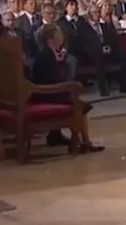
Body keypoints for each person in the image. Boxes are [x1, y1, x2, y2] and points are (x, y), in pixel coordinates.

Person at [30, 23, 104, 152]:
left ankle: (59, 135)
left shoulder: (50, 53)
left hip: (49, 92)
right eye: (59, 34)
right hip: (46, 95)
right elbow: (50, 79)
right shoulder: (45, 55)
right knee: (79, 105)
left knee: (75, 98)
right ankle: (84, 141)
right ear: (51, 38)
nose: (62, 36)